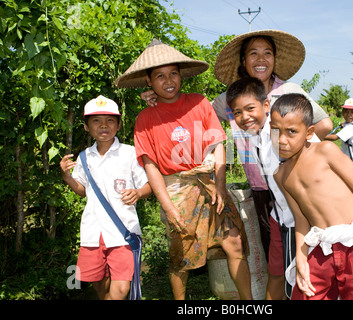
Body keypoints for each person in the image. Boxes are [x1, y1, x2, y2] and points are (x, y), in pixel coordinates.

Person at [115, 40, 252, 300]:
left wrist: (221, 186)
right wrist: (167, 206)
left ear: (181, 75)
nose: (169, 81)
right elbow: (151, 166)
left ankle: (249, 302)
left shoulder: (199, 103)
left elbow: (218, 145)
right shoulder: (145, 119)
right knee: (181, 256)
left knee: (234, 244)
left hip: (211, 183)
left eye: (173, 73)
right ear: (148, 81)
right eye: (160, 76)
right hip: (177, 189)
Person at [270, 93, 353, 300]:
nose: (281, 140)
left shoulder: (325, 151)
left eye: (291, 132)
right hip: (321, 245)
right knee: (304, 295)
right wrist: (301, 257)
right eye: (275, 130)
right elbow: (301, 219)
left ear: (309, 132)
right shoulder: (280, 175)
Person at [226, 77, 320, 300]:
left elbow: (317, 160)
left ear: (265, 105)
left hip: (302, 220)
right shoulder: (257, 138)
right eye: (237, 112)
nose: (244, 117)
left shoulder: (283, 133)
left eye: (250, 109)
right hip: (280, 217)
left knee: (302, 277)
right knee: (277, 272)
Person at [60, 95, 151, 300]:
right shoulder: (83, 157)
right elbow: (83, 190)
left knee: (120, 290)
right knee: (99, 284)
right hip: (92, 233)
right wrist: (66, 176)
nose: (104, 125)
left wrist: (137, 193)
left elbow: (148, 185)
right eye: (96, 120)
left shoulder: (130, 153)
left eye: (110, 120)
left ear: (118, 125)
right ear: (86, 126)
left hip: (123, 233)